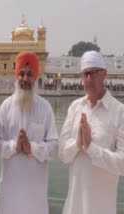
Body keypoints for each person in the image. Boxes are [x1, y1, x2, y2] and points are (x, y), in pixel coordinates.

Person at [59, 50, 124, 214]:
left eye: (93, 73)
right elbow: (62, 154)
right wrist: (78, 144)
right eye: (85, 74)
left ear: (104, 74)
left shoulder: (119, 112)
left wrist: (91, 148)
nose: (89, 79)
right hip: (73, 206)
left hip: (101, 207)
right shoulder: (75, 107)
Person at [0, 52, 58, 214]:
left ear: (35, 77)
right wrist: (13, 147)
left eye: (29, 74)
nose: (25, 79)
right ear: (16, 76)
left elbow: (55, 148)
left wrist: (33, 148)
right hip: (10, 192)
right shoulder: (5, 107)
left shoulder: (45, 109)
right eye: (21, 74)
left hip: (34, 194)